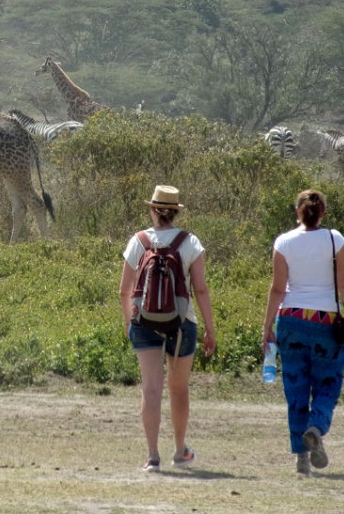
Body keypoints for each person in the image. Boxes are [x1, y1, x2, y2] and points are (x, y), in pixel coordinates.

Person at [119, 185, 216, 472]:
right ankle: (180, 450)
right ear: (175, 212)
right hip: (182, 323)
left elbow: (124, 291)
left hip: (143, 321)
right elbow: (200, 288)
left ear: (152, 210)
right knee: (179, 389)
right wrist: (210, 329)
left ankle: (152, 456)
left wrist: (129, 323)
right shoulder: (190, 242)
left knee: (151, 389)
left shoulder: (138, 241)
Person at [262, 189, 344, 476]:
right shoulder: (334, 239)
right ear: (323, 213)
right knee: (328, 384)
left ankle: (301, 458)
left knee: (295, 389)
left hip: (290, 320)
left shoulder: (284, 242)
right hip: (325, 321)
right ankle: (316, 426)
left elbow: (278, 288)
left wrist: (267, 327)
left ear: (297, 212)